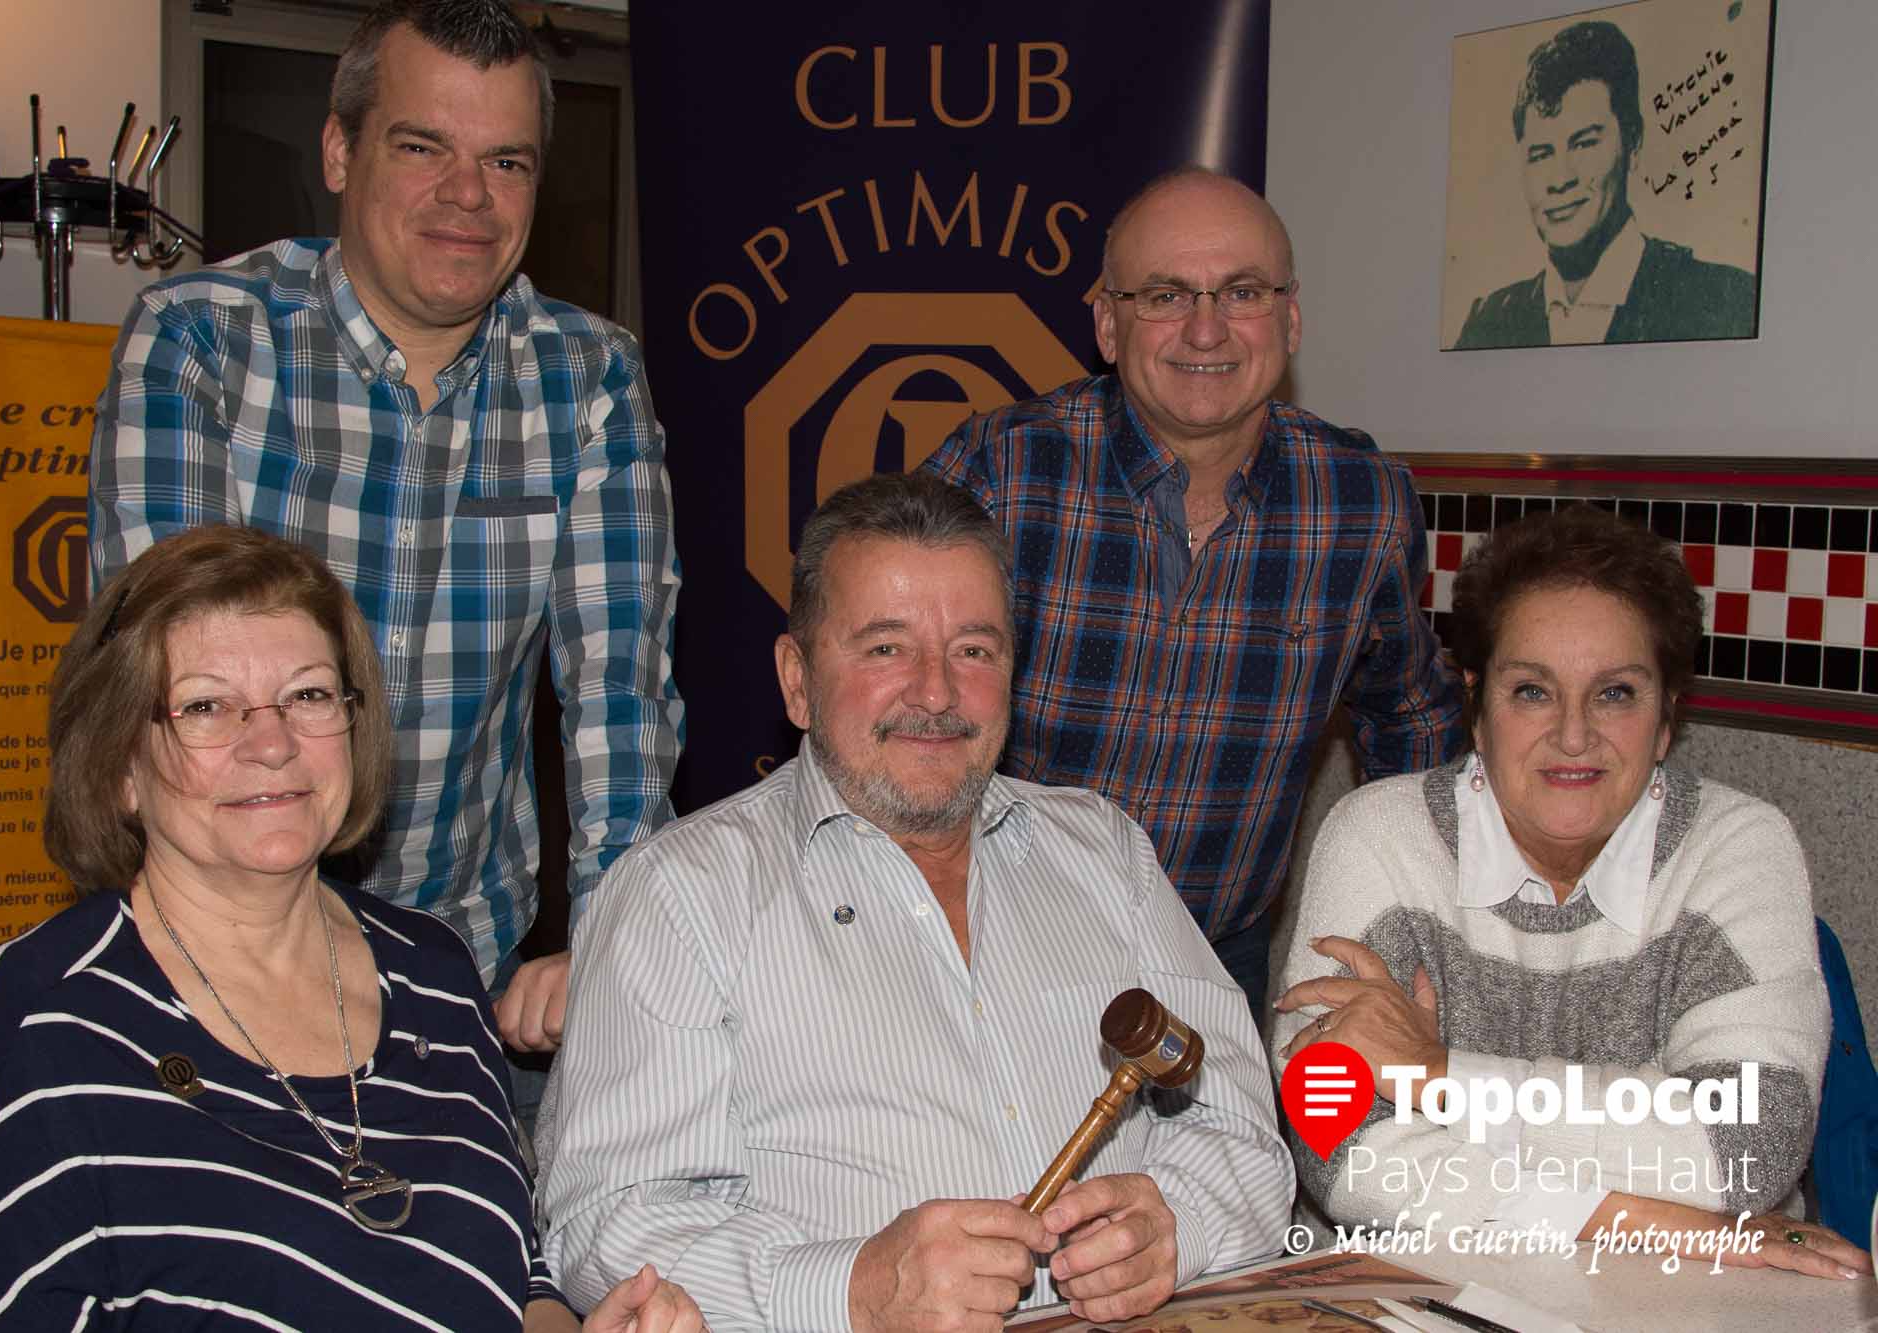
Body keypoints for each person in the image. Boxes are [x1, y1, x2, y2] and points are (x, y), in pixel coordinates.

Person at [542, 473, 1292, 1330]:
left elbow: (1244, 1131)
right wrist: (854, 1288)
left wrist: (1177, 1225)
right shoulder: (679, 896)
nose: (936, 694)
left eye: (974, 649)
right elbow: (607, 1226)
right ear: (796, 679)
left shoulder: (1105, 851)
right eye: (885, 648)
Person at [0, 526, 701, 1330]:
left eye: (310, 695)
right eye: (207, 706)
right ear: (120, 763)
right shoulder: (35, 1012)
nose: (273, 743)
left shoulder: (434, 971)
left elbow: (519, 1280)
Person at [87, 0, 683, 1056]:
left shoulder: (586, 375)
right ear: (338, 149)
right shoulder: (200, 341)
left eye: (507, 163)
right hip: (210, 954)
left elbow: (618, 698)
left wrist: (616, 947)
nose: (468, 196)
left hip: (460, 968)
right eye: (423, 148)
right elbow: (175, 692)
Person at [1270, 505, 1870, 1281]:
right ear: (1478, 709)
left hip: (1695, 1303)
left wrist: (1439, 1076)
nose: (1575, 734)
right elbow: (1343, 1154)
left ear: (1665, 720)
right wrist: (1668, 1222)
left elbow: (1744, 1152)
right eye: (1532, 691)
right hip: (1447, 1288)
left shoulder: (1741, 846)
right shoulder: (1377, 838)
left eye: (1615, 692)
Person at [924, 169, 1464, 1013]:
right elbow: (882, 689)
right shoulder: (1002, 469)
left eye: (1240, 291)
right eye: (1167, 295)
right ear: (1108, 322)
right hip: (988, 949)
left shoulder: (1362, 501)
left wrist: (1402, 915)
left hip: (1217, 964)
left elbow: (1413, 718)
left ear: (1289, 318)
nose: (1205, 329)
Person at [1453, 19, 1757, 349]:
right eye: (1541, 154)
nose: (1559, 179)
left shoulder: (1724, 301)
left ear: (1633, 144)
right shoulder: (1488, 323)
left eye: (1584, 144)